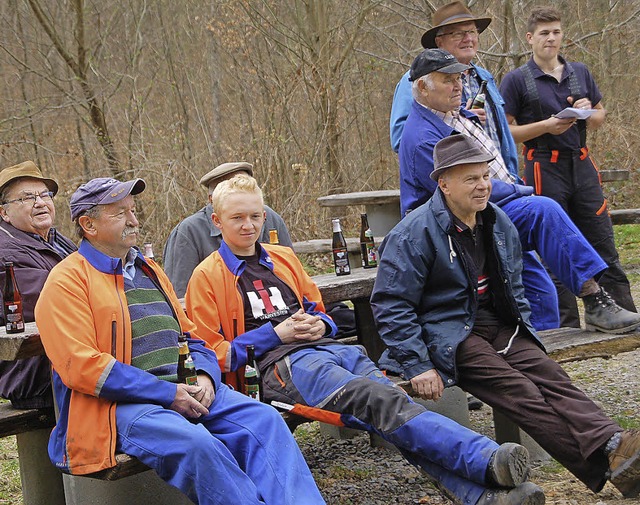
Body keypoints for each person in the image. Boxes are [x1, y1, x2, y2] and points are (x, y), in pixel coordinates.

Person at [186, 173, 546, 505]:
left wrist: (321, 326)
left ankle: (481, 497)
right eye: (237, 218)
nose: (248, 225)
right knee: (380, 402)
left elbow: (323, 311)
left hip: (332, 351)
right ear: (217, 222)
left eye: (255, 216)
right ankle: (483, 456)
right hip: (284, 368)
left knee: (389, 405)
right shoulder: (206, 276)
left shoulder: (283, 258)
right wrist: (274, 334)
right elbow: (212, 354)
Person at [371, 134, 640, 499]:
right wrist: (417, 364)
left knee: (551, 376)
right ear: (444, 184)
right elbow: (391, 306)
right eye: (471, 179)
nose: (482, 186)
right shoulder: (413, 233)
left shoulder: (497, 222)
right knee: (521, 392)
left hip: (497, 324)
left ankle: (613, 445)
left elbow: (515, 288)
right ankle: (612, 460)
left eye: (485, 177)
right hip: (447, 334)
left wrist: (524, 329)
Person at [34, 177, 324, 505]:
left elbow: (192, 336)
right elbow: (84, 368)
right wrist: (166, 393)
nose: (134, 220)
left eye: (133, 210)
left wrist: (204, 375)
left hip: (184, 389)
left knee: (265, 421)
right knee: (197, 444)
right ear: (88, 224)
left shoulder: (149, 270)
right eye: (120, 214)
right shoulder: (66, 281)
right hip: (118, 408)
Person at [396, 47, 640, 334]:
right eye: (448, 80)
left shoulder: (453, 114)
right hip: (453, 228)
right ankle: (594, 298)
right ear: (423, 87)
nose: (458, 85)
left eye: (459, 78)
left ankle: (541, 360)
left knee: (540, 291)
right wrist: (522, 192)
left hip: (488, 215)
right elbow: (466, 191)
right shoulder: (423, 138)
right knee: (542, 211)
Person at [499, 6, 636, 325]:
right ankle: (564, 328)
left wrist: (589, 111)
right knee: (553, 250)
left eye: (556, 32)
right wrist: (546, 126)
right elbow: (505, 132)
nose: (551, 38)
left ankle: (625, 318)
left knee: (603, 242)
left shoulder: (579, 72)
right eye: (544, 33)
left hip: (582, 165)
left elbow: (602, 116)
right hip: (543, 166)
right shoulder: (517, 80)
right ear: (530, 38)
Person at [390, 1, 518, 183]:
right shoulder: (416, 80)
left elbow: (502, 135)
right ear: (438, 42)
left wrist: (513, 179)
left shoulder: (484, 77)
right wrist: (458, 124)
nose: (468, 39)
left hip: (504, 183)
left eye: (472, 32)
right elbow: (402, 140)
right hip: (465, 190)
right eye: (458, 33)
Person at [0, 161, 76, 409]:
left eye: (45, 195)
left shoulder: (54, 239)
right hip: (31, 370)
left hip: (67, 359)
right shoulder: (5, 252)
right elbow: (55, 303)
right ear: (4, 213)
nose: (40, 202)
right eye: (26, 198)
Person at [163, 161, 292, 298]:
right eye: (230, 191)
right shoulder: (189, 231)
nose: (248, 225)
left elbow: (291, 273)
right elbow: (179, 294)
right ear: (212, 200)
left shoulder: (271, 218)